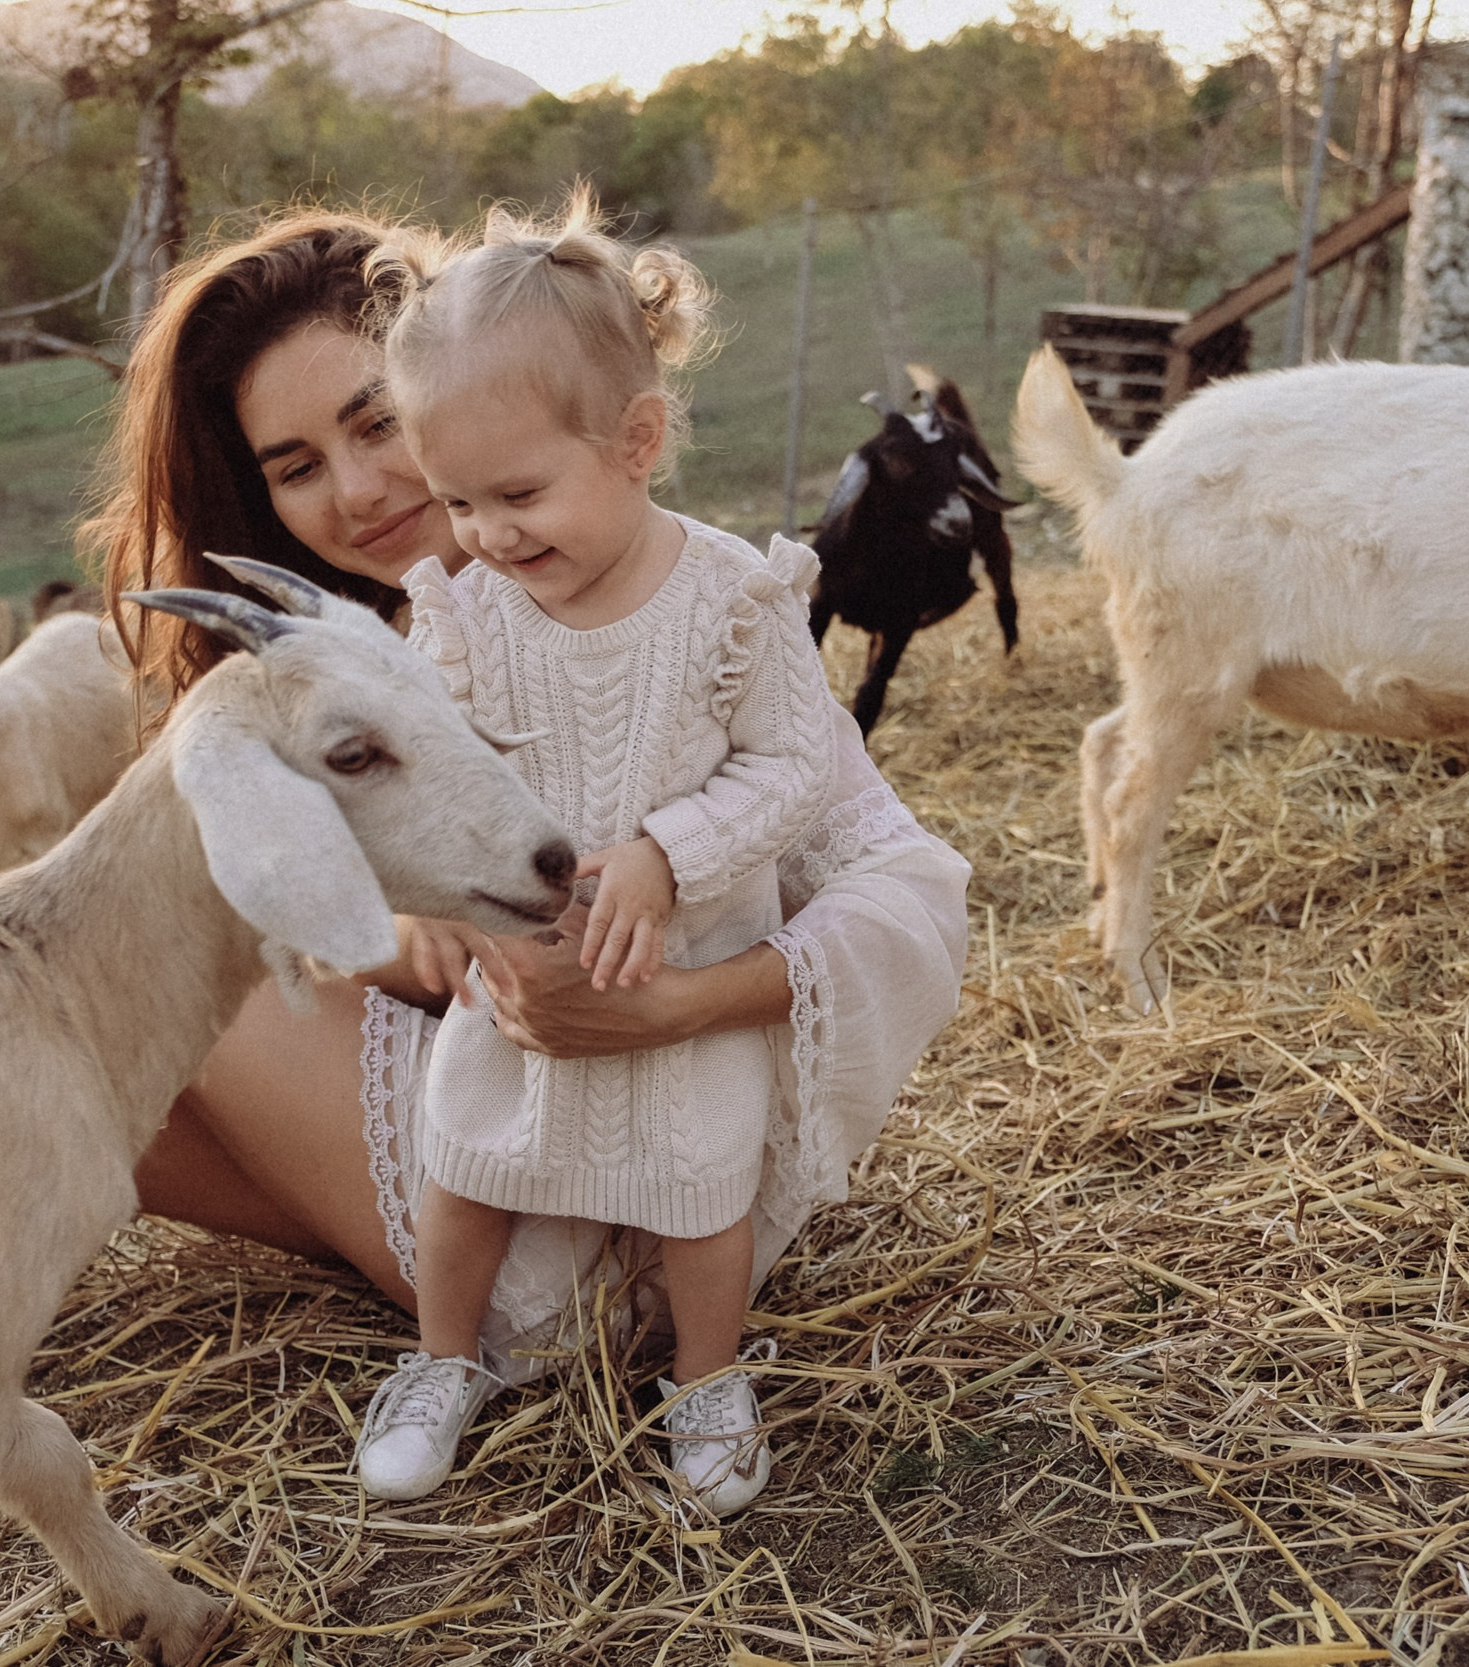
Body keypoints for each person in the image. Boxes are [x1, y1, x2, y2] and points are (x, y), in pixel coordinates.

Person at [86, 205, 969, 1513]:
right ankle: (457, 1310)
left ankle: (590, 1322)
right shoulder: (357, 657)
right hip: (486, 1126)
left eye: (375, 423)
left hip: (671, 1157)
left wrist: (671, 1005)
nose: (361, 490)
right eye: (295, 464)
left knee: (132, 965)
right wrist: (402, 943)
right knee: (116, 1019)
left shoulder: (689, 606)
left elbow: (910, 891)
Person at [354, 201, 838, 1514]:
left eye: (519, 495)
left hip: (678, 972)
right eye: (457, 501)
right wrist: (452, 899)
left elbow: (799, 767)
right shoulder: (465, 614)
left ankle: (708, 1376)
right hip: (520, 973)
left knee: (700, 1191)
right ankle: (443, 1361)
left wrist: (671, 855)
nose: (490, 533)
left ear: (637, 443)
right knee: (465, 1162)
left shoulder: (730, 599)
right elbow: (409, 771)